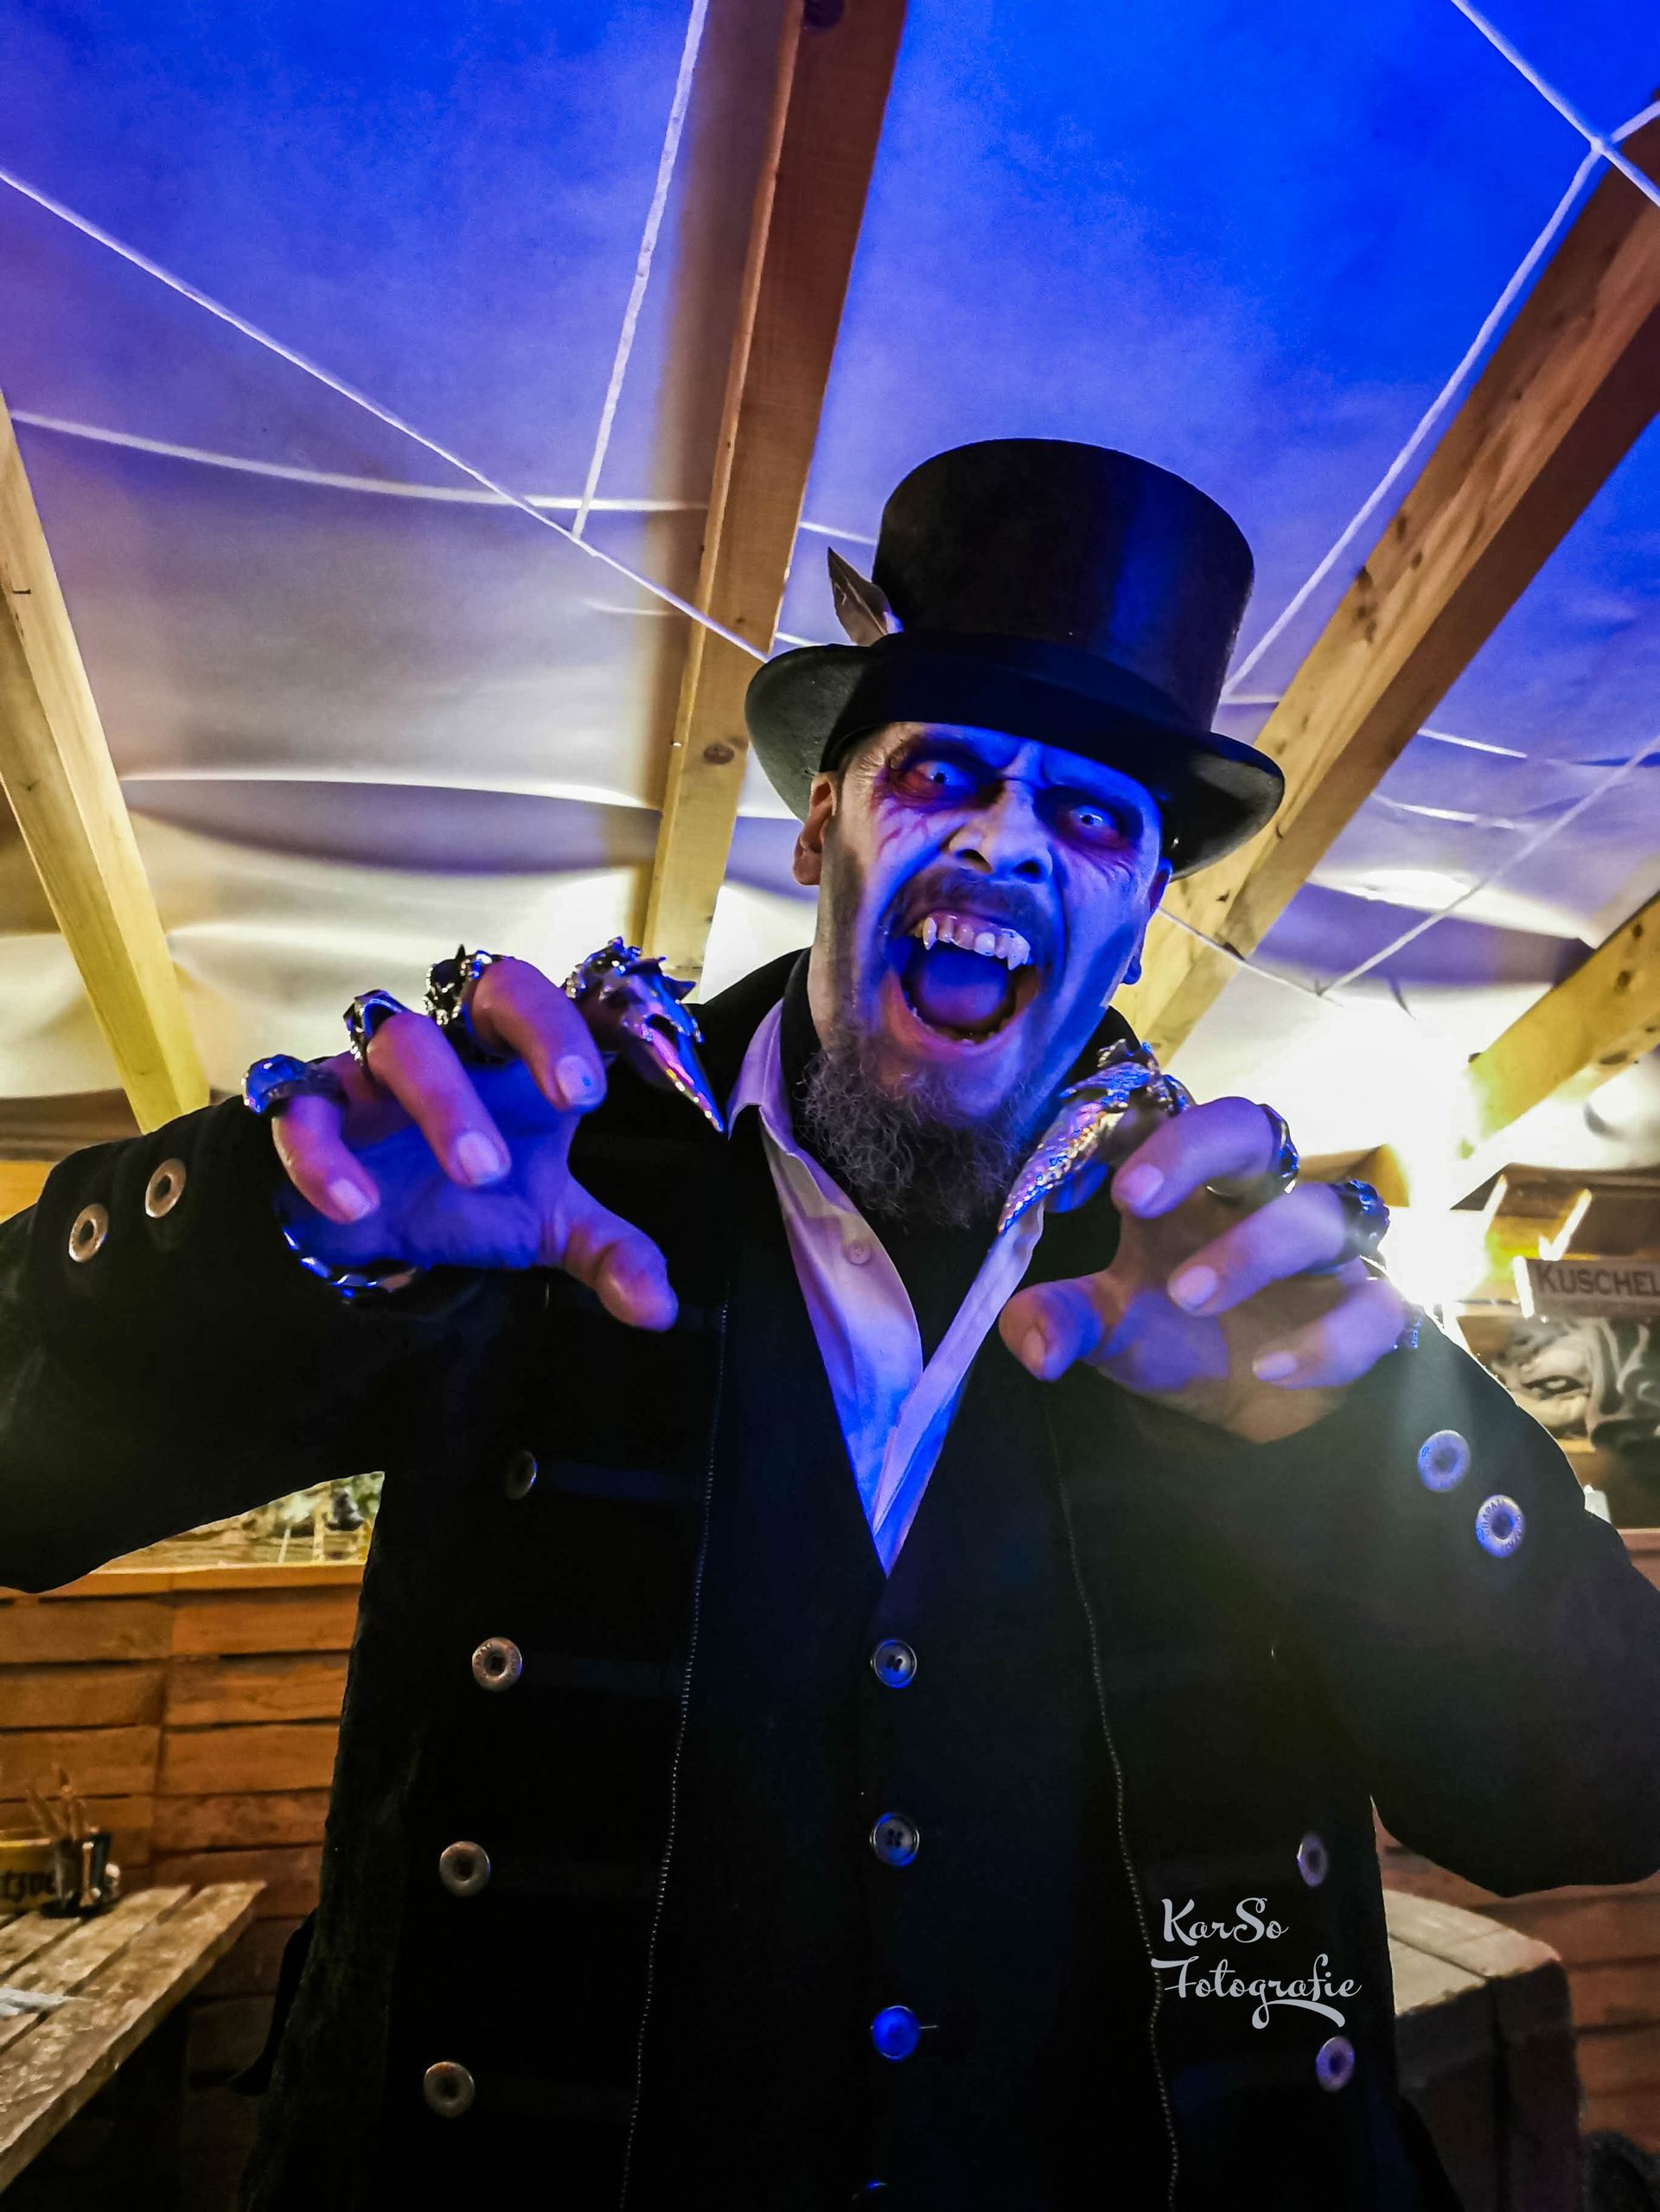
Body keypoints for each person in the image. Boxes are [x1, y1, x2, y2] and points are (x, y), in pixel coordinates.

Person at [2, 441, 1657, 2211]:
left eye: (1094, 816)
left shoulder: (1243, 1279)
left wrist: (1357, 1452)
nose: (1005, 837)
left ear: (1140, 920)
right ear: (819, 828)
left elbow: (1595, 1788)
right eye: (942, 770)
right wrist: (277, 1226)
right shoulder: (538, 1168)